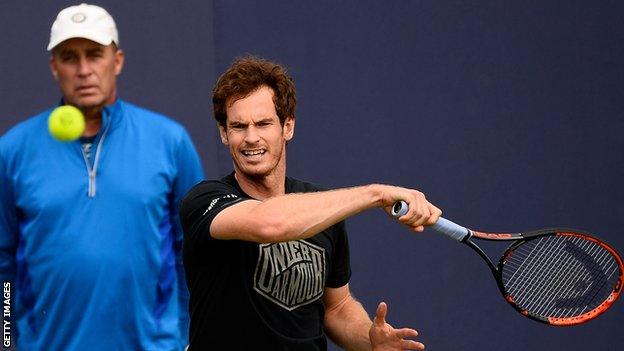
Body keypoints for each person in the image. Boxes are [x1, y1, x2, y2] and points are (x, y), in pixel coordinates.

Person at [180, 56, 441, 350]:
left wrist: (370, 341)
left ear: (287, 126)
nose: (251, 138)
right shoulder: (205, 200)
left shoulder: (318, 209)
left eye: (264, 123)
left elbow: (337, 309)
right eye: (239, 126)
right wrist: (377, 194)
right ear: (224, 134)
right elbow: (269, 222)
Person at [0, 4, 204, 350]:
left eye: (95, 55)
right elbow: (3, 260)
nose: (84, 70)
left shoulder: (170, 142)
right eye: (69, 57)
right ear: (54, 67)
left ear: (117, 60)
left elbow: (196, 253)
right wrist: (6, 341)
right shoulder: (13, 150)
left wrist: (185, 337)